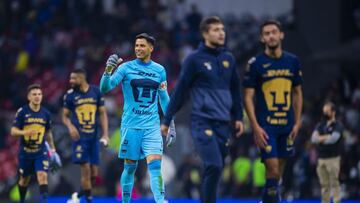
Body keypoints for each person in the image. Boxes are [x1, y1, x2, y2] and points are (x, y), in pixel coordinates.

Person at [161, 16, 244, 203]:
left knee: (215, 168)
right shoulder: (194, 60)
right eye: (216, 30)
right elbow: (180, 91)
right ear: (205, 34)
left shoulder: (228, 59)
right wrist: (167, 119)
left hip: (224, 123)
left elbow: (235, 91)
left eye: (222, 29)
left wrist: (238, 117)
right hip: (202, 121)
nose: (221, 33)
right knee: (213, 165)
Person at [100, 33, 176, 203]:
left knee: (155, 165)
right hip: (131, 126)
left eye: (142, 46)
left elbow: (164, 98)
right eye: (136, 45)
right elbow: (106, 88)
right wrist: (107, 71)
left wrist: (171, 122)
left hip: (152, 126)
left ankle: (160, 200)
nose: (138, 49)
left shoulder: (159, 70)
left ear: (151, 48)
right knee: (130, 168)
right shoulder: (125, 68)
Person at [243, 19, 303, 203]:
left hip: (287, 126)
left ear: (281, 34)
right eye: (267, 33)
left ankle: (266, 200)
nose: (271, 36)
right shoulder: (255, 63)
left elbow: (298, 93)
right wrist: (255, 127)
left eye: (274, 32)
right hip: (266, 127)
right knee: (273, 170)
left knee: (276, 176)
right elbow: (247, 97)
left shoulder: (293, 61)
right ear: (262, 38)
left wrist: (297, 122)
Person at [62, 68, 109, 203]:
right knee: (86, 169)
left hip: (93, 138)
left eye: (73, 78)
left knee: (94, 175)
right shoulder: (70, 95)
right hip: (79, 138)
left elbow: (102, 113)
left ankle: (78, 195)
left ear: (82, 78)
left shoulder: (96, 92)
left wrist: (105, 134)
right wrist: (70, 127)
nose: (71, 81)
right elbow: (64, 116)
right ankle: (89, 201)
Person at [11, 84, 58, 203]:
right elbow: (13, 131)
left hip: (40, 152)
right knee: (24, 179)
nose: (37, 97)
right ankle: (22, 200)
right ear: (29, 97)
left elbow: (48, 132)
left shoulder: (46, 114)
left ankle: (44, 201)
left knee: (42, 175)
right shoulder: (22, 112)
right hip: (25, 152)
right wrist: (25, 132)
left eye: (39, 94)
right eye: (34, 94)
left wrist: (52, 148)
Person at [311, 102, 343, 203]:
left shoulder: (338, 125)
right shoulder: (320, 125)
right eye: (324, 111)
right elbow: (313, 139)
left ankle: (337, 201)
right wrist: (326, 137)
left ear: (333, 112)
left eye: (327, 111)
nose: (325, 114)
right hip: (321, 159)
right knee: (324, 185)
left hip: (333, 158)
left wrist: (320, 138)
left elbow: (333, 139)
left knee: (334, 183)